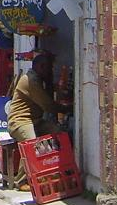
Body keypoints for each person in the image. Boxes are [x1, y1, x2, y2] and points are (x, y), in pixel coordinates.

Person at [7, 51, 71, 188]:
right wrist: (65, 109)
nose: (51, 71)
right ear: (41, 67)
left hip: (35, 121)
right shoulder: (31, 81)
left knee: (59, 132)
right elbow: (47, 105)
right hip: (20, 121)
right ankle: (22, 181)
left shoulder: (39, 80)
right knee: (31, 143)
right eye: (49, 68)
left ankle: (58, 170)